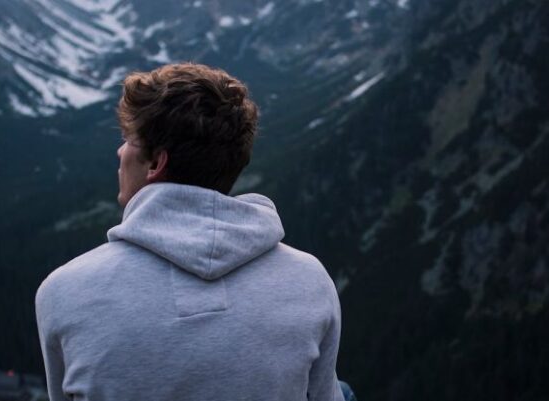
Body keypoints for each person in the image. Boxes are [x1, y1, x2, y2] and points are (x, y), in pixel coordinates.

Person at [35, 63, 347, 401]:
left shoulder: (63, 290)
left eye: (128, 139)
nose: (120, 151)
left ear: (156, 163)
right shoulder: (310, 278)